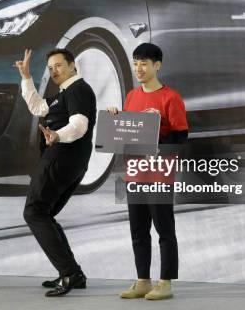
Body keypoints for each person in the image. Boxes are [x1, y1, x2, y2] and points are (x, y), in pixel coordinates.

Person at [107, 43, 188, 300]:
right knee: (138, 230)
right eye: (136, 62)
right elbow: (128, 131)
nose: (139, 68)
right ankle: (143, 280)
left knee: (164, 230)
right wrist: (115, 119)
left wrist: (158, 149)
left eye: (144, 63)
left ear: (157, 65)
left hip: (159, 175)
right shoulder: (131, 96)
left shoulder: (170, 97)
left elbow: (180, 136)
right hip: (134, 174)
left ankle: (165, 282)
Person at [14, 48, 96, 297]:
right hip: (70, 160)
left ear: (73, 65)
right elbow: (38, 107)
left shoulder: (79, 89)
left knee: (34, 211)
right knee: (44, 213)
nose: (54, 71)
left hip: (62, 156)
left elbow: (80, 125)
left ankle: (69, 272)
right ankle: (73, 273)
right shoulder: (63, 94)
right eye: (50, 68)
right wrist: (26, 76)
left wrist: (57, 135)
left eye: (59, 66)